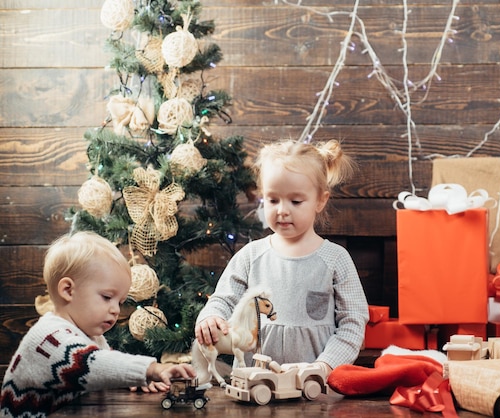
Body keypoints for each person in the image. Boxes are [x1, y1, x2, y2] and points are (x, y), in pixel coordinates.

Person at [195, 139, 369, 377]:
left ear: (320, 200)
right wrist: (211, 317)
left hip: (315, 388)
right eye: (273, 200)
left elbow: (353, 323)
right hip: (254, 383)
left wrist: (325, 366)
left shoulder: (335, 259)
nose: (282, 210)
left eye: (295, 201)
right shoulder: (250, 256)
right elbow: (223, 300)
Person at [0, 231, 196, 417]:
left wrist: (136, 379)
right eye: (107, 297)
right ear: (68, 290)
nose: (116, 310)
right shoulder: (48, 338)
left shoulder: (89, 336)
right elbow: (92, 365)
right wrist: (149, 369)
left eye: (119, 302)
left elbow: (104, 368)